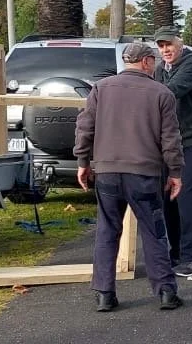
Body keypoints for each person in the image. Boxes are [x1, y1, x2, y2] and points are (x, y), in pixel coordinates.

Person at [73, 40, 184, 312]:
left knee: (107, 230)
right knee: (154, 232)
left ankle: (104, 294)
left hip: (107, 173)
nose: (156, 65)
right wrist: (175, 172)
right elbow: (170, 139)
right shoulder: (161, 93)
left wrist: (82, 161)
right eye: (153, 60)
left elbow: (85, 127)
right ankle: (166, 292)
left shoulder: (101, 89)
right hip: (144, 174)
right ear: (146, 62)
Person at [153, 30, 192, 280]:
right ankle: (176, 253)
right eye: (161, 46)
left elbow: (171, 92)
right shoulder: (159, 70)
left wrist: (137, 95)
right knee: (168, 201)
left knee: (188, 199)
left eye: (170, 45)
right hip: (169, 145)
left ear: (181, 44)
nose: (166, 49)